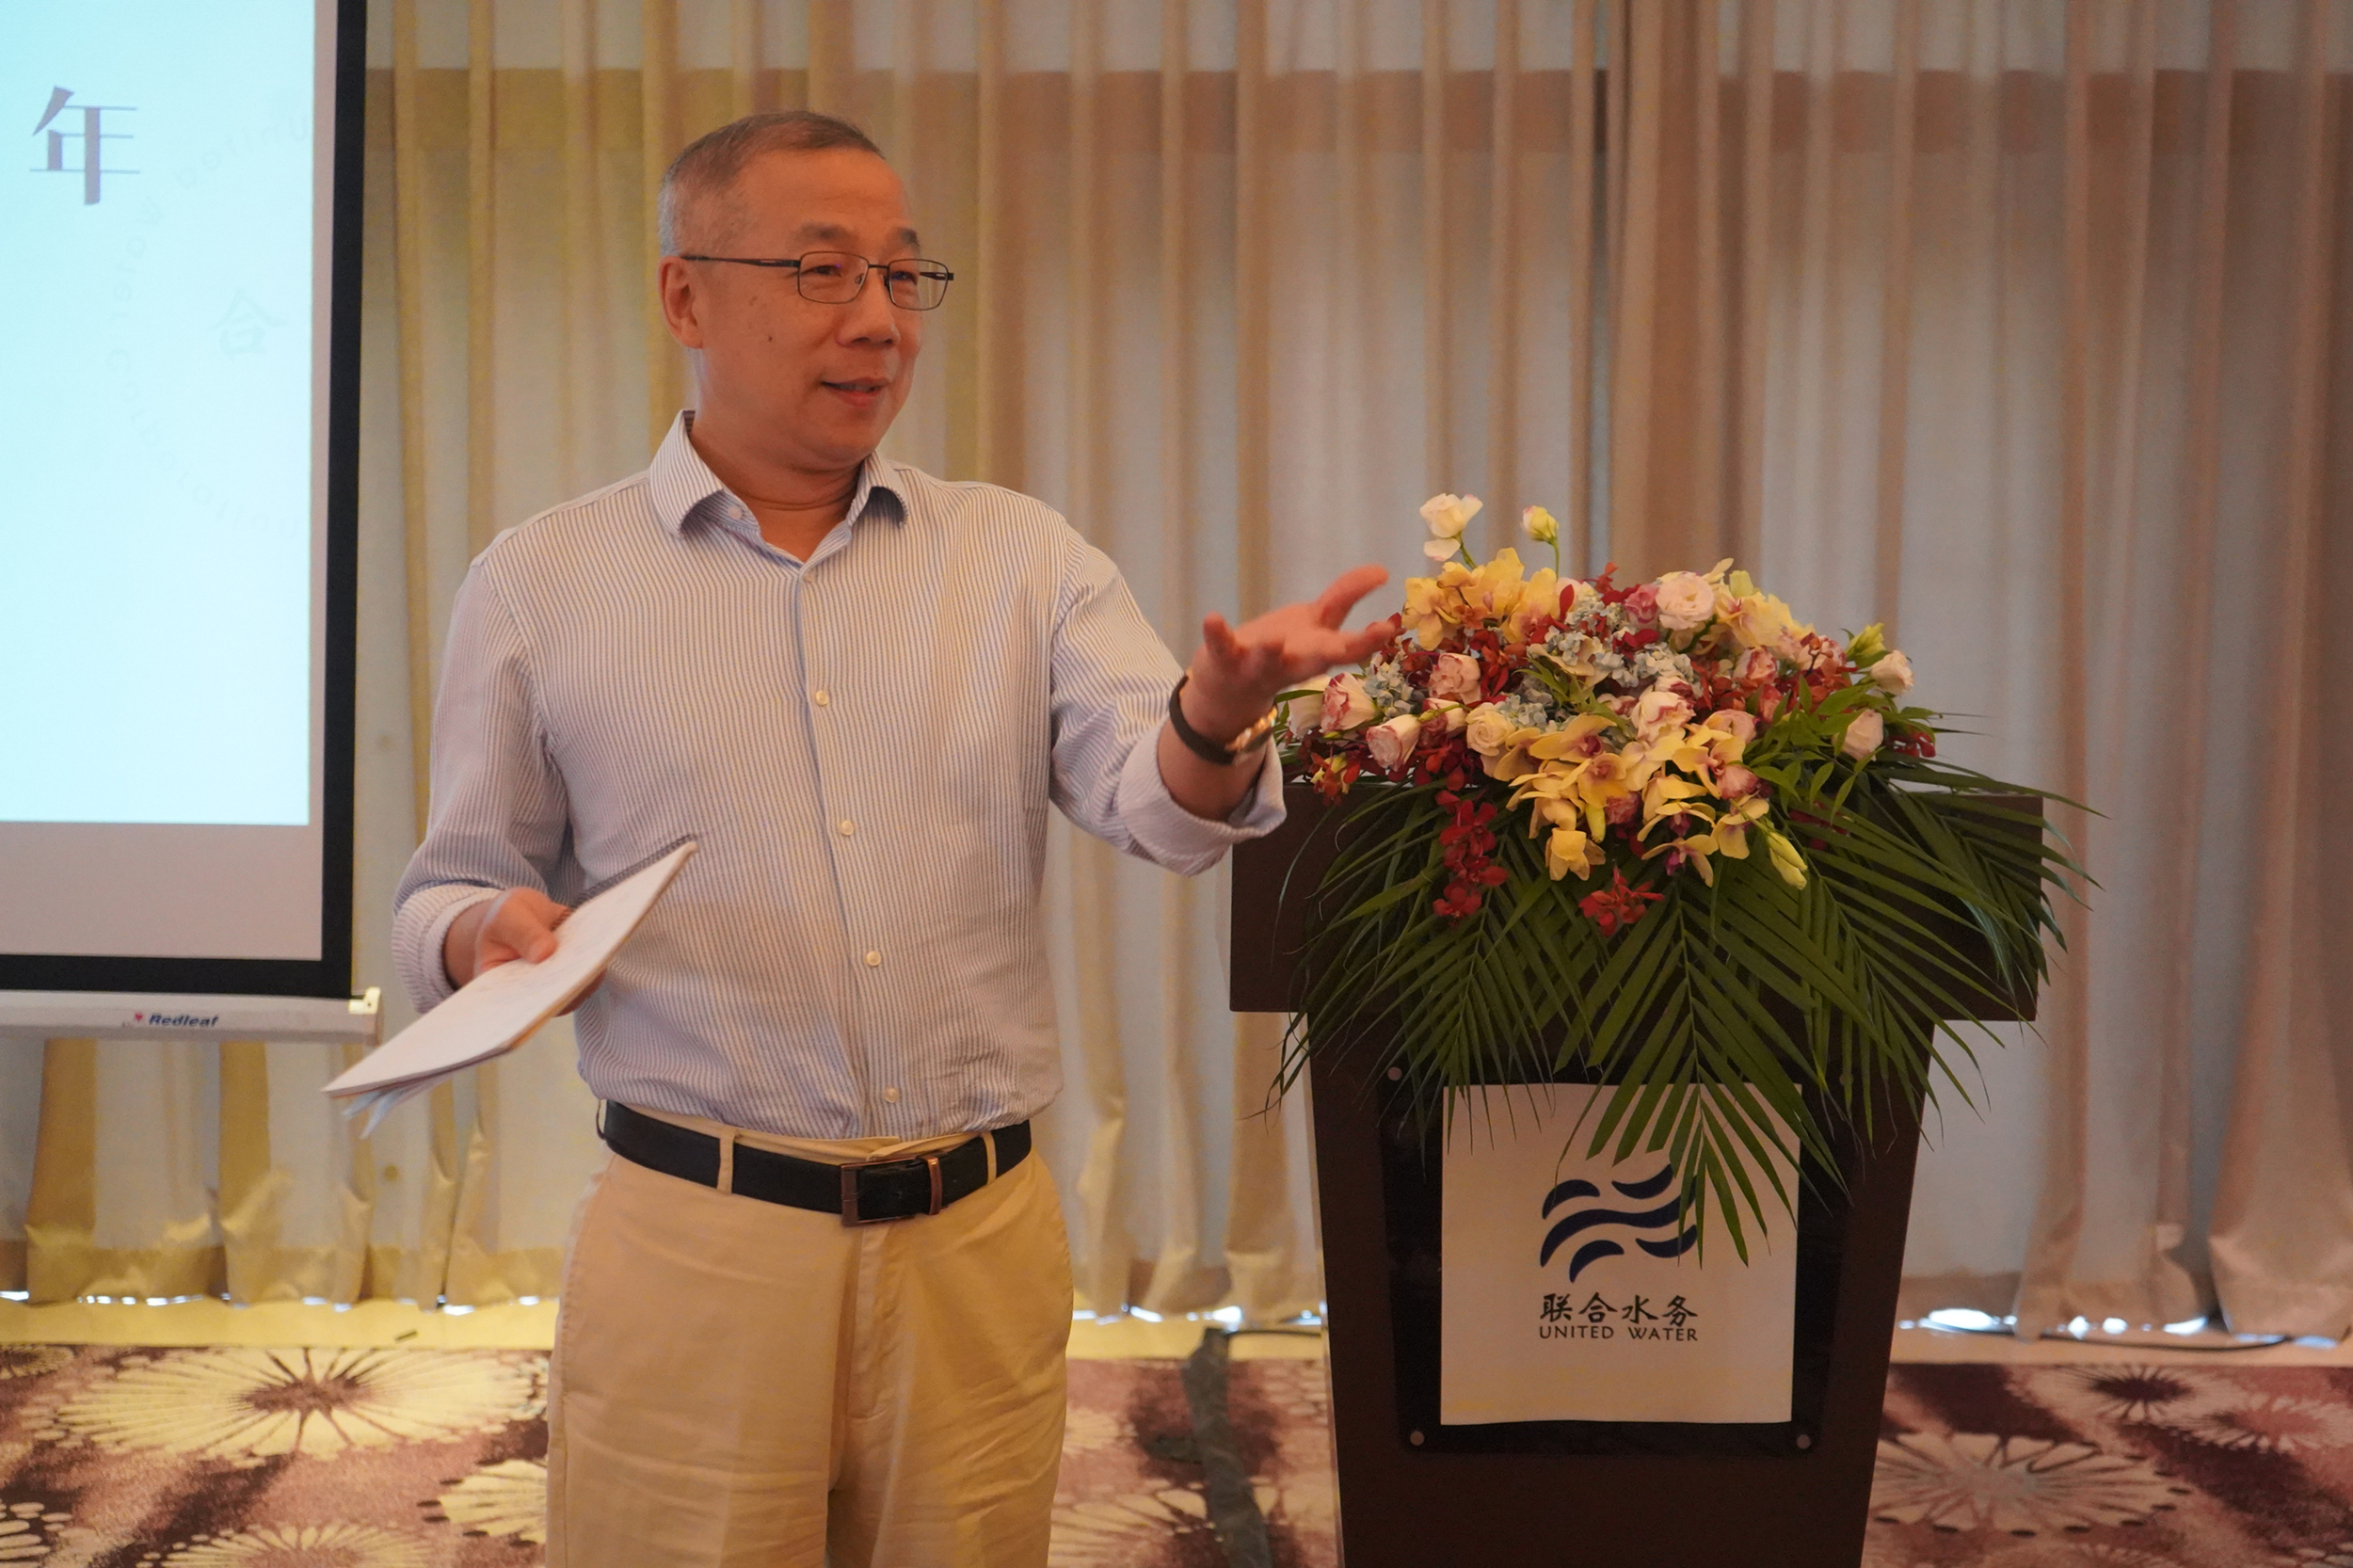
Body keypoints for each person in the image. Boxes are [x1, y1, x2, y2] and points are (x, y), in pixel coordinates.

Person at [391, 108, 1393, 1568]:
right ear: (685, 297)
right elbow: (446, 889)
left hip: (972, 1244)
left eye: (903, 275)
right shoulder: (542, 582)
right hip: (699, 1243)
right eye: (822, 271)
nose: (878, 319)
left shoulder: (1019, 557)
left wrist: (1213, 716)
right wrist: (482, 933)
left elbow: (1152, 800)